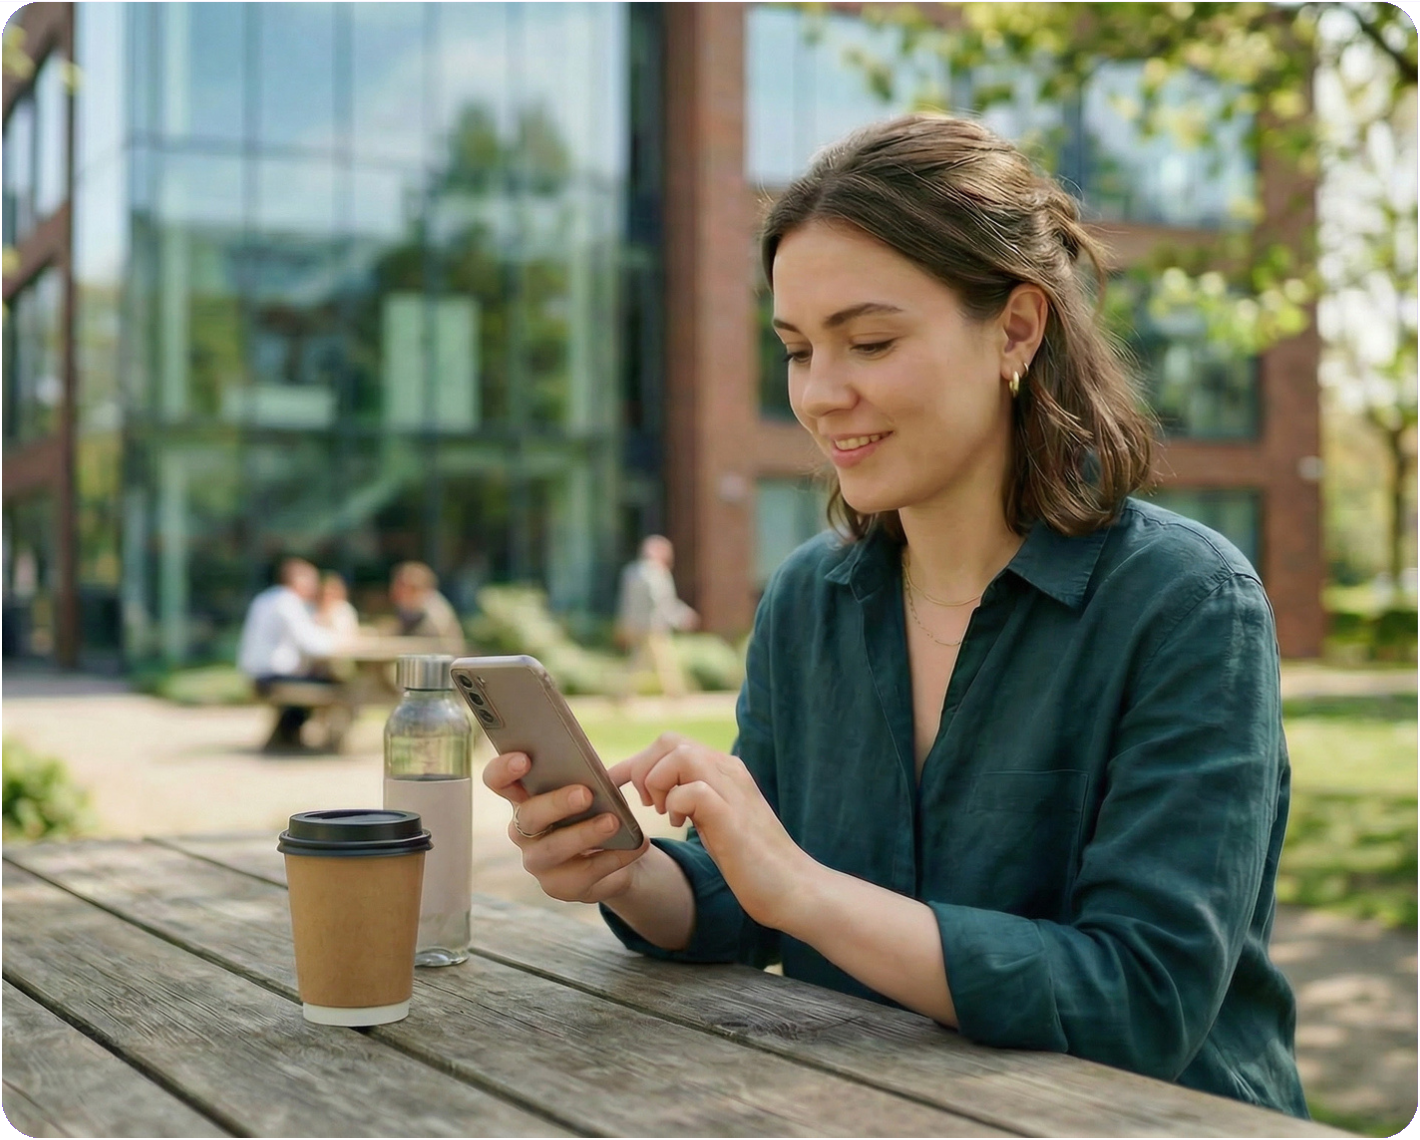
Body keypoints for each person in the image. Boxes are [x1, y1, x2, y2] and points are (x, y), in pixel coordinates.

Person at [481, 114, 1308, 1117]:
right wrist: (626, 871)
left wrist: (803, 891)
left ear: (1014, 329)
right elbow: (748, 906)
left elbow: (1140, 1002)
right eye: (795, 348)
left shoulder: (1186, 604)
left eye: (868, 340)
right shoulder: (807, 601)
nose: (822, 395)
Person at [236, 557, 341, 751]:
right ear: (297, 580)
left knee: (316, 680)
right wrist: (341, 640)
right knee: (338, 685)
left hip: (258, 672)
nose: (315, 586)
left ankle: (288, 735)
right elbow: (312, 644)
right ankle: (327, 741)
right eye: (311, 580)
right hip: (273, 675)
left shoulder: (267, 598)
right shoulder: (288, 602)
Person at [614, 535, 699, 698]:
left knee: (640, 659)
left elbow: (625, 602)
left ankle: (624, 692)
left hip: (635, 625)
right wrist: (682, 617)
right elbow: (662, 602)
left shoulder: (631, 572)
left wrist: (624, 623)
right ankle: (675, 692)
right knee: (663, 659)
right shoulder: (658, 573)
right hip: (654, 626)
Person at [390, 561, 464, 653]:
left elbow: (437, 646)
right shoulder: (409, 608)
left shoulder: (434, 611)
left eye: (409, 587)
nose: (401, 590)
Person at [315, 572, 361, 640]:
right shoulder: (313, 608)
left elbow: (345, 636)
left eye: (330, 593)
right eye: (323, 593)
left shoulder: (343, 610)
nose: (326, 597)